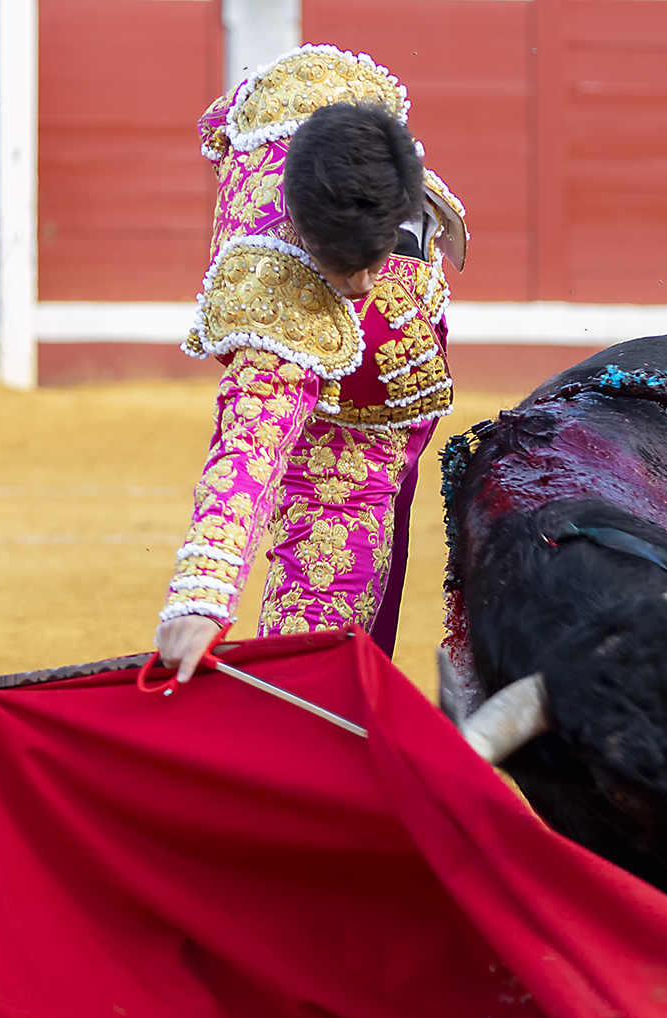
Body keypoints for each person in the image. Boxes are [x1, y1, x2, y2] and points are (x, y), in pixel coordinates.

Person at [154, 45, 468, 681]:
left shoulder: (336, 99)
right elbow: (249, 447)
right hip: (344, 437)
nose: (359, 287)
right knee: (316, 668)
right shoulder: (277, 299)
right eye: (341, 266)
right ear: (299, 229)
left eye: (374, 262)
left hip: (384, 390)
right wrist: (202, 592)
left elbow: (224, 119)